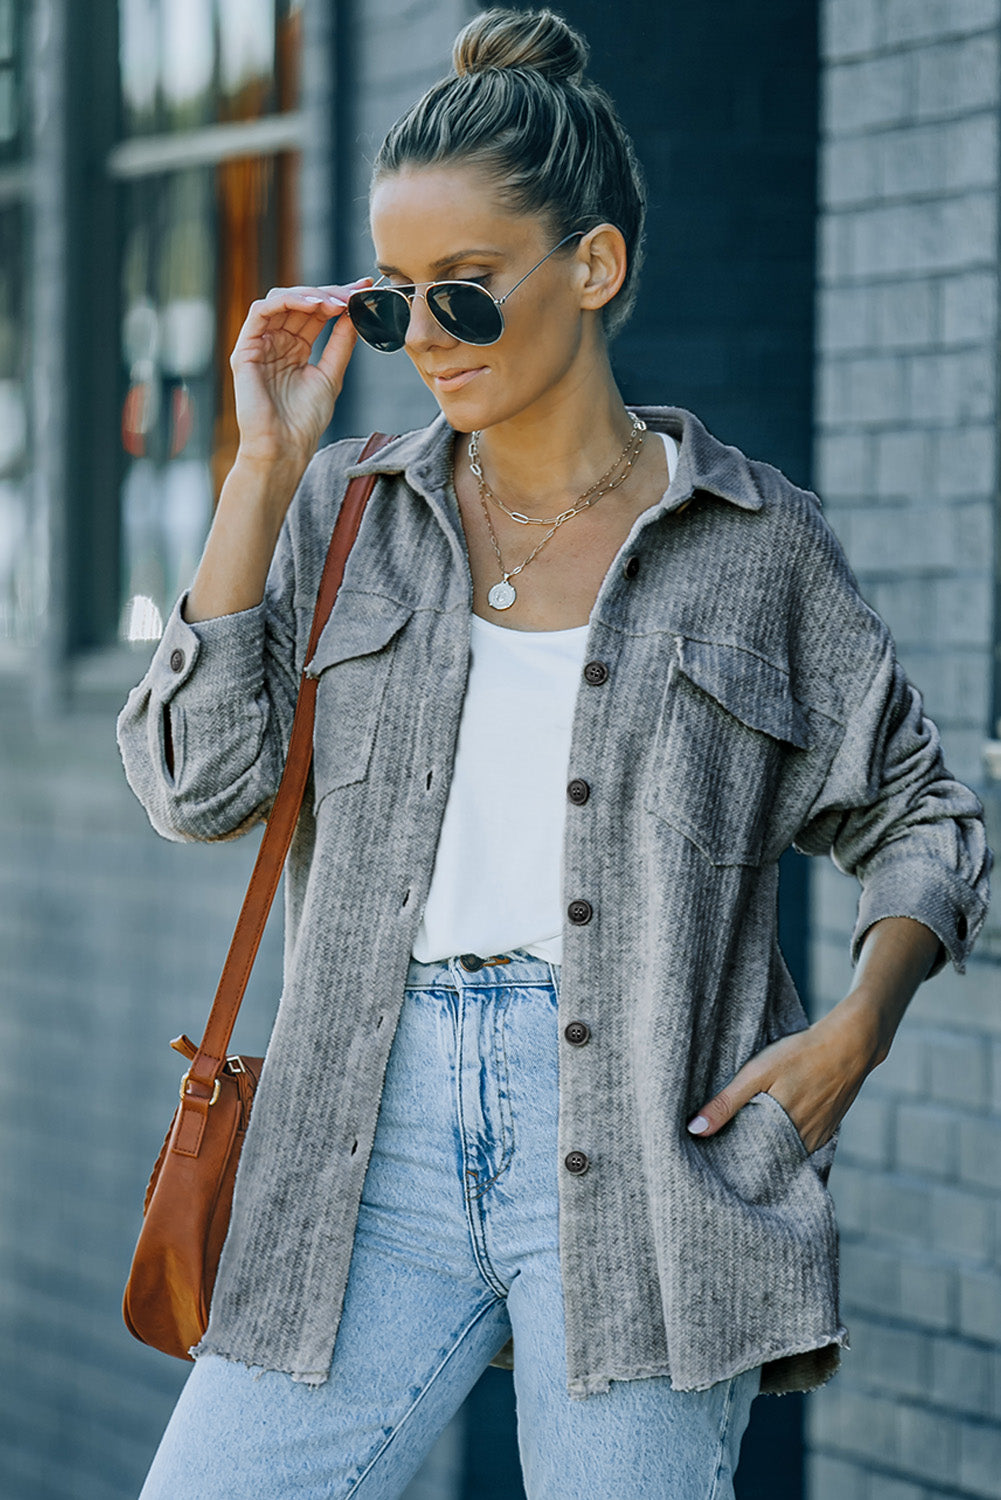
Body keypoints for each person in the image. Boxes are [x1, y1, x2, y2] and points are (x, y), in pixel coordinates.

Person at [118, 9, 992, 1498]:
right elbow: (199, 790)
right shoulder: (347, 511)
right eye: (392, 304)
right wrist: (260, 472)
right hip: (359, 1144)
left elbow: (921, 810)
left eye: (462, 294)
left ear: (591, 267)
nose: (422, 343)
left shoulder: (750, 546)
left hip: (649, 1155)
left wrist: (857, 1028)